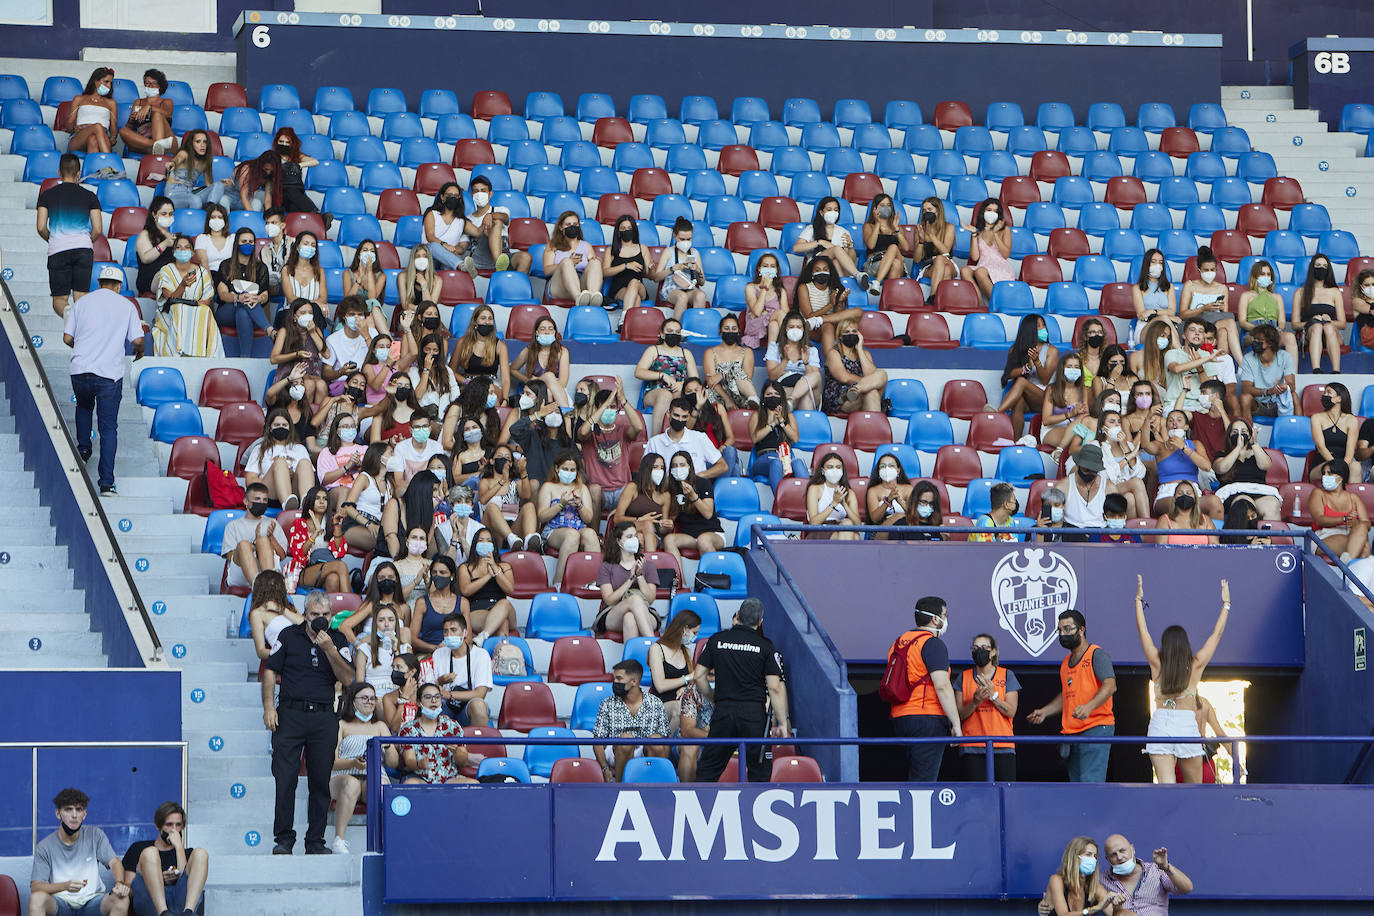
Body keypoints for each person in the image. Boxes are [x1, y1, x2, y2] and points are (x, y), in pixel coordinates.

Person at [261, 590, 355, 855]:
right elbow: (270, 670)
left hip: (324, 716)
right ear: (305, 614)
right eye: (315, 615)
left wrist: (330, 650)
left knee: (320, 781)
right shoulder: (289, 636)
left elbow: (348, 679)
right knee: (285, 778)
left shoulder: (338, 639)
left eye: (326, 615)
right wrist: (269, 707)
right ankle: (284, 839)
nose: (320, 619)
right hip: (290, 715)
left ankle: (315, 841)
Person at [1135, 575, 1230, 784]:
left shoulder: (1156, 663)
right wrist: (1226, 605)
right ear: (1185, 645)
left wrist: (1137, 601)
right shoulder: (1195, 665)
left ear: (1165, 645)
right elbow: (1217, 635)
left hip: (1160, 723)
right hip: (1186, 724)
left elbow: (1143, 632)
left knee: (1166, 786)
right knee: (1194, 789)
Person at [62, 264, 144, 496]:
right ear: (119, 286)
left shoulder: (82, 303)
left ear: (99, 283)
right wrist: (141, 350)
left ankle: (83, 449)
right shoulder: (126, 306)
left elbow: (67, 337)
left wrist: (84, 349)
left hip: (80, 369)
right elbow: (137, 340)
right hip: (108, 374)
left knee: (84, 406)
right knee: (108, 430)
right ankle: (106, 483)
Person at [691, 598, 790, 784]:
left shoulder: (717, 640)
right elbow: (775, 687)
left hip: (724, 712)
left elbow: (698, 676)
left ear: (737, 616)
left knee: (708, 769)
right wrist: (782, 723)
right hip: (753, 716)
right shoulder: (766, 646)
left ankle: (703, 809)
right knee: (759, 770)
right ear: (760, 621)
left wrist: (713, 698)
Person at [1027, 609, 1117, 782]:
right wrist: (1045, 711)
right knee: (1076, 785)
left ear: (1081, 630)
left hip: (1096, 727)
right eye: (1060, 630)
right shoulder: (1065, 662)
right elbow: (1066, 695)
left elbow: (1110, 685)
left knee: (1090, 783)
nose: (1063, 634)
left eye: (1068, 629)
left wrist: (1089, 707)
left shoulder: (1096, 654)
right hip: (1071, 732)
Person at [884, 596, 962, 781]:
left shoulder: (899, 642)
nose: (946, 618)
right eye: (945, 614)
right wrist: (956, 724)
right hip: (927, 718)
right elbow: (942, 686)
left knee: (911, 778)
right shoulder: (933, 643)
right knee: (923, 785)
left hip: (900, 718)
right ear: (935, 619)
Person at [29, 787, 131, 916]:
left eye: (79, 809)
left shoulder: (95, 835)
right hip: (60, 904)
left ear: (84, 814)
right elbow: (36, 886)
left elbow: (115, 862)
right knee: (37, 898)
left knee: (121, 899)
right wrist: (65, 886)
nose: (74, 815)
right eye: (68, 809)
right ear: (58, 814)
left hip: (93, 902)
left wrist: (120, 883)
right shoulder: (44, 846)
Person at [327, 682, 397, 854]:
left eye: (373, 698)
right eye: (364, 698)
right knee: (352, 784)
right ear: (353, 701)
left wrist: (387, 746)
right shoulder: (341, 724)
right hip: (343, 775)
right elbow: (332, 760)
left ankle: (385, 841)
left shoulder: (380, 726)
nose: (370, 702)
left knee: (379, 786)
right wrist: (353, 763)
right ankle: (339, 839)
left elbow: (394, 763)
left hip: (373, 775)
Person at [37, 153, 102, 318]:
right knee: (81, 296)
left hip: (58, 248)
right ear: (79, 173)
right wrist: (87, 240)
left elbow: (40, 227)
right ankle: (80, 327)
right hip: (83, 248)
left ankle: (67, 313)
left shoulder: (46, 195)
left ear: (59, 172)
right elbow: (98, 229)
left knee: (60, 299)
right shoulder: (90, 196)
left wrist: (53, 239)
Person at [121, 801, 209, 916]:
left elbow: (185, 882)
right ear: (158, 825)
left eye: (178, 825)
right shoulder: (138, 848)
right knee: (150, 852)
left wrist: (178, 847)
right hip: (149, 903)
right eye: (169, 825)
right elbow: (129, 889)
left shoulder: (187, 853)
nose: (174, 830)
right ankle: (163, 913)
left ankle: (188, 913)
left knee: (200, 853)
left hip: (179, 904)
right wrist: (157, 880)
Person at [593, 660, 672, 781]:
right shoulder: (607, 703)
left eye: (619, 679)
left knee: (656, 740)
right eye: (614, 679)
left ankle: (657, 786)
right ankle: (622, 787)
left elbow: (665, 740)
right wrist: (604, 768)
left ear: (634, 681)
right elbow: (597, 741)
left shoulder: (655, 703)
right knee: (626, 740)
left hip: (645, 749)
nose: (615, 682)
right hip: (616, 749)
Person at [956, 633, 1019, 781]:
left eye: (984, 647)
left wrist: (993, 696)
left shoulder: (1007, 675)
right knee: (976, 796)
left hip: (1002, 745)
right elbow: (958, 716)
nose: (979, 651)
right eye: (976, 648)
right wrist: (975, 701)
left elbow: (1011, 711)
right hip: (972, 746)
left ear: (993, 652)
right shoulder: (963, 677)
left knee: (1005, 793)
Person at [151, 234, 222, 358]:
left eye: (187, 247)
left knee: (206, 311)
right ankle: (178, 354)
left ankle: (204, 356)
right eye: (178, 248)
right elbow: (170, 299)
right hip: (170, 313)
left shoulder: (202, 272)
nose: (183, 250)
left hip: (197, 312)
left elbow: (206, 301)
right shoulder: (166, 270)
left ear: (193, 252)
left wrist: (189, 304)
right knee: (179, 308)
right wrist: (182, 285)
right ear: (173, 252)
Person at [538, 451, 600, 588]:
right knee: (572, 535)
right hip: (554, 530)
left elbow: (589, 517)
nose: (569, 472)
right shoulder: (548, 487)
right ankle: (558, 583)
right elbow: (542, 516)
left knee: (590, 534)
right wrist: (561, 504)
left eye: (572, 470)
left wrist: (580, 505)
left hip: (579, 527)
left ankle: (596, 582)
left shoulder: (582, 488)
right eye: (565, 469)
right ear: (556, 468)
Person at [579, 381, 642, 513]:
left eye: (613, 407)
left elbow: (638, 427)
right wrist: (606, 404)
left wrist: (623, 400)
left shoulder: (622, 430)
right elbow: (582, 432)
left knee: (633, 488)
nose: (609, 410)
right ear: (597, 409)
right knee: (594, 489)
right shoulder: (590, 431)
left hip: (622, 490)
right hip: (599, 491)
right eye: (606, 407)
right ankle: (595, 534)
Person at [421, 612, 494, 725]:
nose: (449, 635)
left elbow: (480, 693)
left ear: (465, 633)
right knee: (432, 707)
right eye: (446, 631)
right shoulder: (438, 654)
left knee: (478, 706)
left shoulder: (481, 655)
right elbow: (431, 686)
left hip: (468, 707)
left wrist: (450, 695)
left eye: (453, 630)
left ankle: (479, 742)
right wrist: (441, 681)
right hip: (445, 706)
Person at [993, 315, 1060, 439]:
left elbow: (1045, 380)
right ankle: (1015, 442)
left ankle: (997, 413)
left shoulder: (1052, 351)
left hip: (1046, 399)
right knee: (1018, 403)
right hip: (1027, 398)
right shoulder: (1016, 349)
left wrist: (1037, 362)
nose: (1043, 328)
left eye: (1043, 325)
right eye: (1039, 326)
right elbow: (1008, 374)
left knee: (1022, 382)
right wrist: (1027, 367)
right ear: (1030, 330)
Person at [594, 520, 661, 638]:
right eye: (629, 536)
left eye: (635, 536)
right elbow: (609, 600)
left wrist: (640, 576)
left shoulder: (647, 565)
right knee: (634, 599)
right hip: (613, 612)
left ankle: (630, 657)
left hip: (645, 612)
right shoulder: (606, 566)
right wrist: (631, 578)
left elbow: (650, 599)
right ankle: (654, 645)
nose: (634, 539)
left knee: (630, 619)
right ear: (618, 541)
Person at [398, 682, 475, 784]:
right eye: (428, 697)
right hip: (421, 779)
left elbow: (462, 763)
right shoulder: (408, 729)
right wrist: (419, 764)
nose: (433, 700)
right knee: (410, 784)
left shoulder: (452, 726)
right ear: (418, 702)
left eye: (437, 697)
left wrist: (458, 752)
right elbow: (409, 760)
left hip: (449, 778)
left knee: (474, 785)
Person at [1100, 835, 1194, 913]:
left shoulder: (1156, 870)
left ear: (1132, 849)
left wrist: (1166, 867)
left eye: (1122, 851)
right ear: (1107, 859)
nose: (1119, 857)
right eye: (1113, 855)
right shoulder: (1102, 880)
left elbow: (1186, 888)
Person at [1179, 246, 1241, 363]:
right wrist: (1204, 308)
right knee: (1229, 323)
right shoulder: (1190, 286)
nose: (1209, 273)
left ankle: (1222, 368)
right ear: (1199, 270)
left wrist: (1221, 308)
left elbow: (1225, 315)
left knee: (1223, 331)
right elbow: (1182, 314)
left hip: (1215, 325)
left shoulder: (1222, 288)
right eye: (1206, 270)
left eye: (1212, 270)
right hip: (1196, 326)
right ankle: (1241, 364)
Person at [635, 318, 697, 435]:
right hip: (655, 392)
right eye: (670, 331)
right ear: (662, 334)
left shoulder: (686, 353)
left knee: (686, 396)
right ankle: (655, 439)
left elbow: (695, 380)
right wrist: (662, 375)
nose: (674, 334)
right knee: (665, 395)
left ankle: (683, 437)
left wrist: (683, 384)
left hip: (678, 391)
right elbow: (639, 372)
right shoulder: (653, 350)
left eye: (677, 332)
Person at [214, 227, 272, 350]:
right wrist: (238, 298)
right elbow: (223, 294)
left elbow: (265, 295)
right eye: (244, 241)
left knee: (243, 313)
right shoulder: (225, 265)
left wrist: (258, 298)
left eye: (251, 242)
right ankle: (269, 329)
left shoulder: (261, 268)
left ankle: (244, 359)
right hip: (226, 312)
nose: (248, 244)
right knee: (243, 302)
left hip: (253, 314)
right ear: (237, 244)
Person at [456, 528, 516, 644]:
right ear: (475, 544)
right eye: (481, 541)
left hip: (503, 607)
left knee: (505, 603)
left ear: (494, 545)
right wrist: (488, 575)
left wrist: (495, 568)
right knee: (502, 623)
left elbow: (510, 589)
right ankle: (501, 657)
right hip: (476, 610)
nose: (485, 543)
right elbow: (466, 590)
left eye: (489, 541)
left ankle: (483, 636)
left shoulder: (504, 566)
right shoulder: (466, 567)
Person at [646, 396, 729, 479]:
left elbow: (723, 465)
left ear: (689, 417)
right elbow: (645, 470)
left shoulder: (700, 438)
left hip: (696, 487)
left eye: (684, 417)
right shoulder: (654, 442)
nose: (680, 420)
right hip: (667, 489)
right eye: (676, 415)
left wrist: (699, 477)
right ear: (668, 413)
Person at [794, 254, 862, 352]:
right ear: (811, 273)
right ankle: (831, 362)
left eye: (825, 269)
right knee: (828, 325)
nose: (822, 272)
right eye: (817, 270)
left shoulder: (835, 288)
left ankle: (821, 320)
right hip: (812, 328)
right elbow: (809, 317)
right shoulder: (804, 288)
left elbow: (838, 316)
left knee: (858, 311)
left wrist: (839, 303)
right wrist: (830, 305)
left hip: (832, 326)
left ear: (830, 272)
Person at [1214, 419, 1280, 519]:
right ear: (1229, 436)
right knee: (1244, 503)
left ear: (1249, 435)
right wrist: (1237, 448)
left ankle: (1267, 535)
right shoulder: (1222, 454)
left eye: (1244, 432)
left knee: (1272, 504)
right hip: (1234, 496)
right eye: (1235, 432)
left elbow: (1266, 465)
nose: (1240, 435)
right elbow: (1221, 468)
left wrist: (1254, 443)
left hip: (1258, 493)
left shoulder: (1257, 453)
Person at [793, 196, 867, 287]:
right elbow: (796, 248)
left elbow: (850, 260)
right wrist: (819, 242)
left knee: (836, 261)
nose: (833, 212)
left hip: (836, 268)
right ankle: (858, 275)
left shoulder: (843, 232)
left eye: (836, 210)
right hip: (816, 264)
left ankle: (840, 289)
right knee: (836, 249)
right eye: (829, 209)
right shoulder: (811, 229)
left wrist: (850, 247)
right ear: (821, 212)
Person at [1237, 259, 1299, 366]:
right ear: (1255, 276)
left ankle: (1293, 376)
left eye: (1268, 274)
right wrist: (1260, 330)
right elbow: (1242, 321)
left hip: (1273, 331)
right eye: (1262, 274)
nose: (1266, 276)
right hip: (1253, 331)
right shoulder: (1246, 295)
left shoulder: (1277, 297)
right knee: (1262, 339)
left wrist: (1277, 330)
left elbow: (1282, 322)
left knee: (1290, 337)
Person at [1308, 458, 1371, 563]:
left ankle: (1346, 566)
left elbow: (1367, 523)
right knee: (1364, 549)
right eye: (1324, 473)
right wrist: (1344, 518)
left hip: (1352, 533)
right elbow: (1319, 519)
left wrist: (1354, 522)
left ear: (1341, 477)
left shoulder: (1353, 498)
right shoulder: (1318, 493)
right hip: (1325, 535)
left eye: (1329, 473)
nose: (1325, 477)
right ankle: (1348, 569)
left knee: (1362, 526)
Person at [1041, 836, 1123, 916]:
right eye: (1088, 854)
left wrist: (1117, 907)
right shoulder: (1056, 880)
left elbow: (1112, 913)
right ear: (1074, 857)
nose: (1093, 860)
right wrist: (1095, 909)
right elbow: (1063, 914)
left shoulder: (1095, 888)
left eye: (1095, 856)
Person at [647, 609, 700, 734]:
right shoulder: (657, 649)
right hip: (661, 704)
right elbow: (660, 686)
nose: (696, 637)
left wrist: (687, 688)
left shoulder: (686, 651)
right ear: (684, 629)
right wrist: (685, 679)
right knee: (679, 708)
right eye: (694, 632)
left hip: (682, 701)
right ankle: (664, 747)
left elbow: (692, 681)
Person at [1292, 252, 1346, 374]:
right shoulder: (1300, 292)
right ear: (1312, 268)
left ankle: (1336, 370)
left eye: (1324, 266)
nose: (1321, 268)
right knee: (1317, 326)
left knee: (1328, 327)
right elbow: (1295, 324)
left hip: (1331, 332)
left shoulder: (1334, 292)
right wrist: (1312, 321)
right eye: (1318, 265)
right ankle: (1316, 369)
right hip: (1310, 333)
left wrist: (1329, 321)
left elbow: (1343, 324)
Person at [821, 318, 888, 415]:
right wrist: (867, 383)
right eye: (847, 332)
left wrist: (859, 349)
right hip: (841, 399)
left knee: (881, 375)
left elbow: (871, 374)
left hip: (859, 393)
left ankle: (856, 390)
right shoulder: (834, 353)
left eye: (854, 331)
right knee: (871, 389)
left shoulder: (865, 353)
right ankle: (874, 426)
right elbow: (844, 378)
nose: (850, 334)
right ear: (840, 336)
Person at [543, 210, 603, 306]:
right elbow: (547, 270)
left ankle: (593, 297)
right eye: (568, 224)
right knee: (566, 262)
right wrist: (567, 263)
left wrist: (595, 260)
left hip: (581, 284)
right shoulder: (552, 245)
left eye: (575, 224)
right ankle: (578, 298)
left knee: (595, 262)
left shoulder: (586, 245)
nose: (572, 227)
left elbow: (593, 267)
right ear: (561, 227)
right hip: (559, 285)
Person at [1238, 324, 1296, 422]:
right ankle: (1248, 433)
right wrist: (1268, 391)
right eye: (1254, 340)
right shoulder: (1248, 358)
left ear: (1270, 342)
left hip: (1278, 401)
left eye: (1259, 340)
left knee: (1294, 396)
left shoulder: (1286, 357)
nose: (1255, 342)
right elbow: (1246, 389)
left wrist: (1283, 388)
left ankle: (1297, 430)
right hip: (1258, 403)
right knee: (1245, 398)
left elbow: (1292, 385)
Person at [766, 310, 823, 410]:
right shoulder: (775, 348)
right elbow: (772, 376)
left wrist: (806, 363)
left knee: (816, 376)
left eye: (799, 327)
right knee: (804, 398)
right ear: (785, 329)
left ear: (803, 330)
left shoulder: (811, 351)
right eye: (791, 327)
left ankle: (792, 400)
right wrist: (785, 360)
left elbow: (814, 380)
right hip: (785, 389)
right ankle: (803, 419)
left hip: (808, 392)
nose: (795, 330)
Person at [163, 129, 232, 211]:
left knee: (219, 185)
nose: (202, 145)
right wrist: (172, 163)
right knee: (195, 200)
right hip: (174, 193)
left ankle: (210, 209)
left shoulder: (205, 162)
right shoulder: (184, 153)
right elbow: (177, 159)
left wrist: (224, 184)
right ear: (191, 144)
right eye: (198, 142)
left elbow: (209, 185)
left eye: (205, 142)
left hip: (190, 194)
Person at [510, 315, 571, 407]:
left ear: (555, 332)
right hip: (534, 390)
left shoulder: (563, 352)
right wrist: (527, 379)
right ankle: (567, 414)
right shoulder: (529, 350)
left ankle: (560, 412)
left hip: (555, 391)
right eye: (543, 329)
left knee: (549, 378)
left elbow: (563, 383)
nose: (547, 332)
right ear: (537, 332)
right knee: (549, 376)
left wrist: (548, 391)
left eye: (550, 329)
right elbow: (512, 369)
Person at [654, 217, 708, 319]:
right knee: (682, 297)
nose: (685, 242)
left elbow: (702, 282)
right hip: (672, 289)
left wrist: (698, 271)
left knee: (701, 295)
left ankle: (695, 327)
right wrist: (672, 269)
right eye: (682, 239)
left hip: (689, 288)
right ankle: (677, 330)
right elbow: (656, 278)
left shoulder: (695, 253)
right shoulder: (668, 252)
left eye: (689, 239)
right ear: (674, 236)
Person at [703, 313, 759, 410]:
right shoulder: (710, 352)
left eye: (734, 329)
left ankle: (754, 401)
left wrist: (721, 375)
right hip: (718, 393)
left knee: (738, 372)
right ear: (720, 331)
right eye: (726, 328)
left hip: (739, 392)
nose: (730, 331)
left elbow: (746, 377)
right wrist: (727, 399)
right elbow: (711, 381)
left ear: (738, 331)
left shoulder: (746, 352)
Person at [961, 198, 1013, 301]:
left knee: (980, 272)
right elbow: (975, 257)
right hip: (983, 264)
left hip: (999, 266)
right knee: (965, 270)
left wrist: (995, 233)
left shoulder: (1004, 230)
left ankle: (995, 303)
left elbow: (1006, 254)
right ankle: (979, 303)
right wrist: (974, 234)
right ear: (983, 212)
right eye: (989, 210)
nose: (992, 213)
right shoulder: (978, 232)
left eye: (995, 211)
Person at [1307, 382, 1358, 484]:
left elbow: (1350, 450)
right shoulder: (1316, 418)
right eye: (1324, 392)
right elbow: (1321, 447)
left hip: (1344, 463)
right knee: (1330, 468)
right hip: (1322, 462)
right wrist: (1336, 465)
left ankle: (1351, 498)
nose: (1325, 395)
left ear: (1339, 398)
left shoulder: (1352, 420)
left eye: (1329, 392)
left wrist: (1342, 467)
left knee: (1355, 466)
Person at [861, 193, 912, 295]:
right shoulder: (869, 226)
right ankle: (890, 297)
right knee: (895, 263)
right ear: (875, 209)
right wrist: (877, 223)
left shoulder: (897, 227)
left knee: (894, 253)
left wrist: (896, 229)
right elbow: (871, 245)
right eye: (882, 205)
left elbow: (906, 248)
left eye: (888, 205)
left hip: (895, 261)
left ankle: (878, 284)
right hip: (875, 263)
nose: (886, 208)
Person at [117, 68, 176, 155]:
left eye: (153, 83)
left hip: (166, 139)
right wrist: (131, 120)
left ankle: (158, 145)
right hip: (145, 143)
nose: (149, 86)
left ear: (160, 86)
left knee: (157, 115)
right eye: (147, 83)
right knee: (123, 130)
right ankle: (157, 147)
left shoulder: (167, 102)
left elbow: (167, 114)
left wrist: (149, 107)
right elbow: (129, 127)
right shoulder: (138, 102)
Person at [1053, 442, 1109, 533]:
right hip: (1072, 535)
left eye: (1094, 470)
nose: (1090, 473)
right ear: (1078, 465)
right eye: (1086, 469)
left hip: (1100, 536)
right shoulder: (1062, 487)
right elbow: (1055, 523)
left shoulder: (1109, 488)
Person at [248, 570, 303, 661]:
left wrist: (281, 609)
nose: (284, 589)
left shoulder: (288, 607)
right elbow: (261, 652)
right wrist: (283, 652)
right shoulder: (258, 614)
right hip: (289, 658)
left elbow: (304, 624)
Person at [805, 453, 861, 538]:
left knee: (848, 525)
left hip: (842, 527)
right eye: (830, 467)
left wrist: (844, 505)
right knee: (854, 537)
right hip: (821, 529)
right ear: (823, 471)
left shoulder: (849, 493)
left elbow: (858, 525)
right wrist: (834, 503)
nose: (834, 470)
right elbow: (814, 522)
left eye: (838, 467)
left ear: (842, 471)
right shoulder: (814, 489)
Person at [602, 214, 651, 310]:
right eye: (623, 228)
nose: (626, 230)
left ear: (634, 230)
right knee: (635, 298)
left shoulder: (643, 248)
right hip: (619, 289)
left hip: (639, 287)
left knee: (634, 282)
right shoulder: (611, 250)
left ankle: (623, 319)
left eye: (629, 228)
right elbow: (604, 272)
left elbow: (650, 274)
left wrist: (651, 268)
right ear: (618, 232)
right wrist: (625, 266)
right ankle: (628, 322)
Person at [64, 68, 117, 153]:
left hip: (102, 138)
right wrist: (75, 128)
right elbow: (69, 125)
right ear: (96, 81)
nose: (109, 86)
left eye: (111, 83)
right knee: (97, 127)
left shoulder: (111, 103)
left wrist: (113, 138)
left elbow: (113, 128)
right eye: (106, 82)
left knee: (93, 140)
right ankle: (109, 161)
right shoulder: (79, 99)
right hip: (79, 138)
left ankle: (94, 166)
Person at [422, 182, 472, 273]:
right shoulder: (432, 213)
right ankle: (461, 266)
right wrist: (445, 245)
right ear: (442, 197)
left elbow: (462, 247)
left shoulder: (461, 221)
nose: (453, 198)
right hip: (428, 256)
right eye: (449, 195)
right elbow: (430, 237)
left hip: (447, 258)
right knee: (434, 246)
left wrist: (455, 250)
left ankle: (452, 281)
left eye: (456, 196)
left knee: (449, 263)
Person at [913, 195, 957, 293]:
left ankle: (933, 296)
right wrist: (921, 240)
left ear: (938, 211)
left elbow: (946, 252)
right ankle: (941, 301)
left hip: (948, 262)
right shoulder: (919, 229)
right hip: (928, 266)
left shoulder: (949, 227)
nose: (926, 212)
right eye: (924, 210)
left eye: (930, 209)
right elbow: (916, 259)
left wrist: (931, 236)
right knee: (946, 271)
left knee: (941, 259)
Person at [742, 251, 786, 348]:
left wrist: (766, 313)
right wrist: (764, 287)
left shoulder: (781, 291)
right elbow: (757, 312)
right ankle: (789, 345)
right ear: (759, 269)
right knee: (778, 314)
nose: (769, 269)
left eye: (772, 266)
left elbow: (785, 317)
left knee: (774, 324)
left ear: (777, 270)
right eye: (765, 266)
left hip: (775, 327)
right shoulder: (750, 287)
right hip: (756, 325)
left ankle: (771, 352)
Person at [866, 452, 913, 535]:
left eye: (891, 466)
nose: (887, 469)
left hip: (906, 530)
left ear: (898, 471)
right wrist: (887, 501)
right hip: (880, 532)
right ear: (879, 472)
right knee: (899, 516)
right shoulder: (873, 491)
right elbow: (874, 519)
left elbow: (914, 516)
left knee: (901, 517)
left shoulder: (908, 489)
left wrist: (900, 502)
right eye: (883, 466)